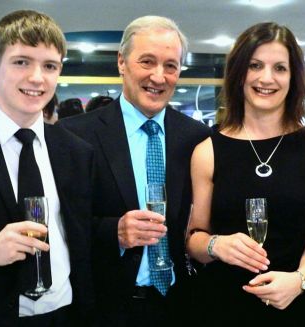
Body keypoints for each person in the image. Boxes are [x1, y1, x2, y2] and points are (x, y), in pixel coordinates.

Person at [58, 15, 210, 327]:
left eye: (171, 65)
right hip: (106, 308)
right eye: (147, 61)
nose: (159, 76)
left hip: (182, 307)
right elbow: (58, 223)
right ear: (121, 63)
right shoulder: (74, 137)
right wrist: (112, 232)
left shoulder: (196, 138)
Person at [185, 22, 305, 326]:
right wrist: (217, 245)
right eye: (255, 65)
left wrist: (299, 280)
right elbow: (194, 239)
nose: (266, 78)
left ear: (293, 77)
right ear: (239, 72)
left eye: (280, 68)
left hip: (293, 307)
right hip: (220, 306)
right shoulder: (207, 150)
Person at [0, 10, 95, 326]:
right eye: (22, 62)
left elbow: (80, 233)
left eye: (49, 66)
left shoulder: (77, 151)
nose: (37, 77)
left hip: (67, 313)